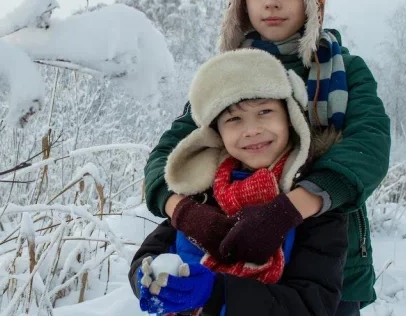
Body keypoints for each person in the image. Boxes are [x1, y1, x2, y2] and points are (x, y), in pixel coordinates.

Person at [143, 0, 391, 313]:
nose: (272, 1)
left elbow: (368, 148)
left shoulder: (347, 71)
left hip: (329, 268)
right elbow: (167, 156)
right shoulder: (225, 78)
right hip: (232, 258)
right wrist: (186, 212)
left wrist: (286, 212)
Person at [129, 49, 347, 315]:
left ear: (290, 117)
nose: (252, 130)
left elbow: (312, 304)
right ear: (217, 132)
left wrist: (218, 293)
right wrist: (150, 279)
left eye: (265, 111)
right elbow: (149, 254)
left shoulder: (312, 202)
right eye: (234, 119)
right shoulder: (202, 191)